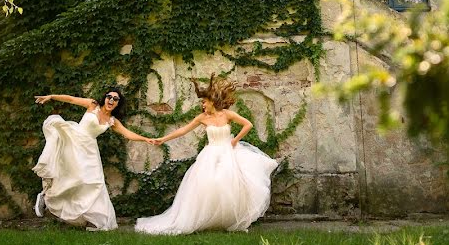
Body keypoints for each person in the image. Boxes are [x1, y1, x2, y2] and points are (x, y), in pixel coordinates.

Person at [135, 75, 278, 235]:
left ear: (211, 101)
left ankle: (227, 220)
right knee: (209, 185)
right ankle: (207, 219)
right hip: (210, 155)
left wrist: (235, 141)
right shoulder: (202, 118)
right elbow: (183, 130)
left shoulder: (226, 114)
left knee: (228, 186)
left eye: (204, 102)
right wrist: (163, 139)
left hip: (228, 153)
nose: (202, 105)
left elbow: (248, 125)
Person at [32, 88, 151, 231]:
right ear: (105, 98)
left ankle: (94, 219)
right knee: (72, 176)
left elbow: (128, 134)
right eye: (109, 97)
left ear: (118, 103)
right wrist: (52, 96)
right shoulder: (92, 105)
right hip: (74, 141)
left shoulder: (113, 121)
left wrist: (146, 139)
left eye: (115, 99)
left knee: (95, 183)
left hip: (90, 151)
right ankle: (45, 197)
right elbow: (71, 99)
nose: (111, 100)